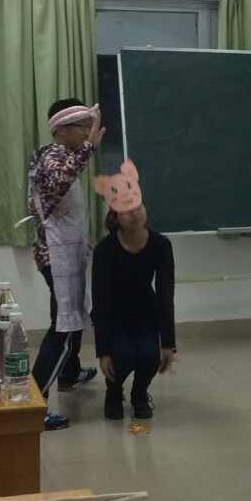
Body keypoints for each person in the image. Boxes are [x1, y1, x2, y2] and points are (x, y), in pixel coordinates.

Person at [28, 98, 105, 431]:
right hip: (55, 257)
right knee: (64, 326)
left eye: (88, 127)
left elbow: (63, 207)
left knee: (70, 317)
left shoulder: (63, 154)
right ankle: (34, 404)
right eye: (82, 127)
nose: (87, 133)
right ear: (61, 129)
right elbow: (60, 180)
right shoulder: (54, 156)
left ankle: (69, 374)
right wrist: (90, 148)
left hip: (66, 251)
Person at [92, 160, 176, 421]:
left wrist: (168, 343)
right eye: (128, 211)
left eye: (138, 207)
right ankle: (113, 392)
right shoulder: (105, 250)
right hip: (115, 316)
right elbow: (101, 300)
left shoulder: (161, 245)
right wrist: (103, 351)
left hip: (145, 313)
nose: (136, 214)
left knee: (149, 358)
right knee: (122, 357)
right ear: (116, 216)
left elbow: (165, 294)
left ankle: (139, 393)